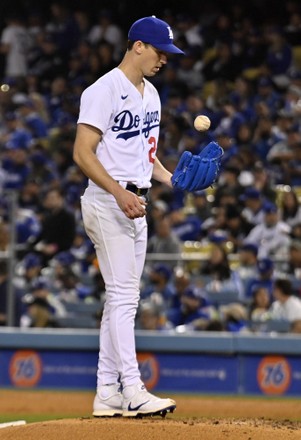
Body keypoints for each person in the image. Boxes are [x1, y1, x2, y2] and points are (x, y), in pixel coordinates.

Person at [73, 16, 185, 418]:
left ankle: (107, 391)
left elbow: (145, 154)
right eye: (160, 51)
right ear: (137, 45)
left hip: (136, 202)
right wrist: (118, 193)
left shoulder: (151, 94)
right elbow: (83, 152)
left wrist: (172, 179)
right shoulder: (103, 90)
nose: (164, 60)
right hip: (108, 201)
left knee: (121, 299)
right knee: (124, 297)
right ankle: (133, 389)